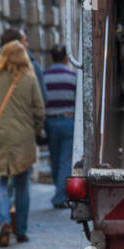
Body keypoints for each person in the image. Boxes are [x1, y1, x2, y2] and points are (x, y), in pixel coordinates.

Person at [0, 40, 45, 247]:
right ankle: (21, 230)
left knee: (2, 184)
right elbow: (40, 111)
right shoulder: (29, 78)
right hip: (23, 138)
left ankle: (4, 222)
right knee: (23, 185)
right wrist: (33, 130)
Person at [0, 26, 46, 133]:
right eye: (24, 41)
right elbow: (41, 105)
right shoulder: (32, 70)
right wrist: (34, 129)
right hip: (25, 134)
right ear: (16, 45)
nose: (27, 45)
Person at [42, 45, 78, 209]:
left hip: (50, 122)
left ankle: (59, 190)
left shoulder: (43, 77)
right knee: (65, 160)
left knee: (55, 158)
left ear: (51, 57)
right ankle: (60, 195)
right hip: (68, 122)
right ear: (65, 58)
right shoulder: (72, 76)